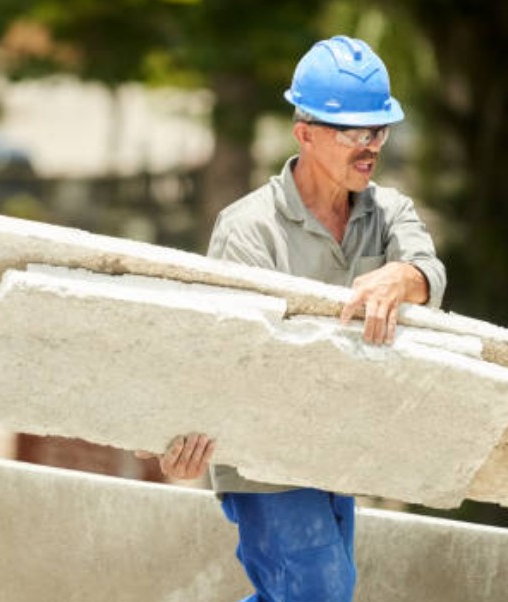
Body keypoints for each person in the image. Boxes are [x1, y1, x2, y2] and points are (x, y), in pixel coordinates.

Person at [141, 35, 446, 602]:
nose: (369, 146)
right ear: (304, 133)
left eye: (377, 131)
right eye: (351, 132)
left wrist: (406, 279)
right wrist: (176, 432)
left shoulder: (388, 213)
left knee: (318, 593)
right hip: (262, 450)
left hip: (337, 442)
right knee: (319, 592)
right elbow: (223, 348)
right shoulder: (248, 230)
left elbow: (429, 269)